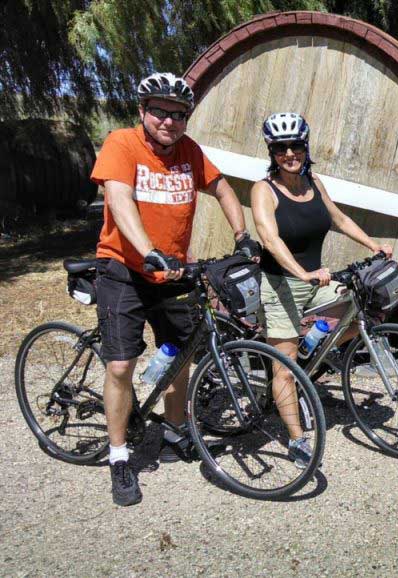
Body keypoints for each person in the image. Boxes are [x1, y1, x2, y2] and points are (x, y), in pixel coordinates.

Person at [91, 72, 261, 506]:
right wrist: (147, 250)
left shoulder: (190, 151)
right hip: (124, 269)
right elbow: (119, 198)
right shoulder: (122, 144)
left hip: (171, 274)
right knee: (120, 366)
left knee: (182, 354)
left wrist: (242, 235)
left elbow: (222, 189)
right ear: (142, 112)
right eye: (160, 112)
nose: (168, 121)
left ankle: (171, 431)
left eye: (178, 114)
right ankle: (118, 456)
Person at [251, 113, 392, 467]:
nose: (289, 153)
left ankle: (311, 350)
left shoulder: (313, 181)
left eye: (295, 146)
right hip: (281, 284)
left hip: (316, 281)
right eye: (281, 148)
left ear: (305, 147)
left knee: (362, 305)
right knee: (284, 367)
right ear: (272, 152)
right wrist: (303, 272)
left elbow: (339, 219)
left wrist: (373, 245)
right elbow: (269, 238)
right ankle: (297, 439)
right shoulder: (263, 190)